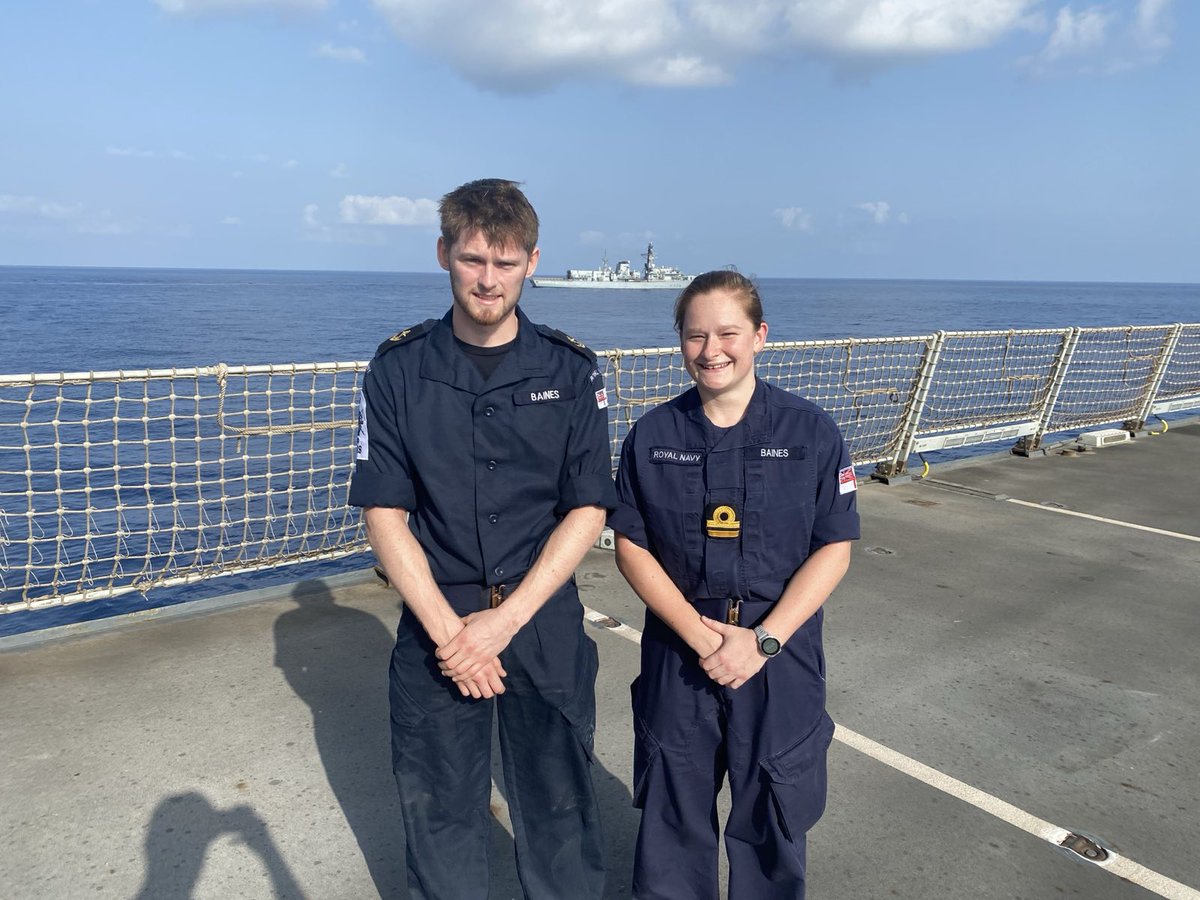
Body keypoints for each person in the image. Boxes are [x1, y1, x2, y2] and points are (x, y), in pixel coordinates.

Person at [348, 178, 616, 900]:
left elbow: (588, 507)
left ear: (532, 261)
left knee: (560, 813)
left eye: (505, 263)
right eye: (472, 260)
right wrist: (453, 636)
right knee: (439, 815)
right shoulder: (398, 370)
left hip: (539, 619)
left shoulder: (570, 371)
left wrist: (504, 623)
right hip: (441, 622)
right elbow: (383, 512)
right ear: (443, 254)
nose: (487, 279)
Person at [608, 270, 860, 900]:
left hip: (780, 656)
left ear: (760, 337)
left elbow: (835, 547)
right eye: (696, 335)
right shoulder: (653, 436)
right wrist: (700, 635)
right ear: (680, 343)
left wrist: (763, 642)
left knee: (772, 816)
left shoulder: (812, 433)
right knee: (672, 817)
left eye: (728, 333)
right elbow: (631, 545)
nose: (711, 349)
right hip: (679, 651)